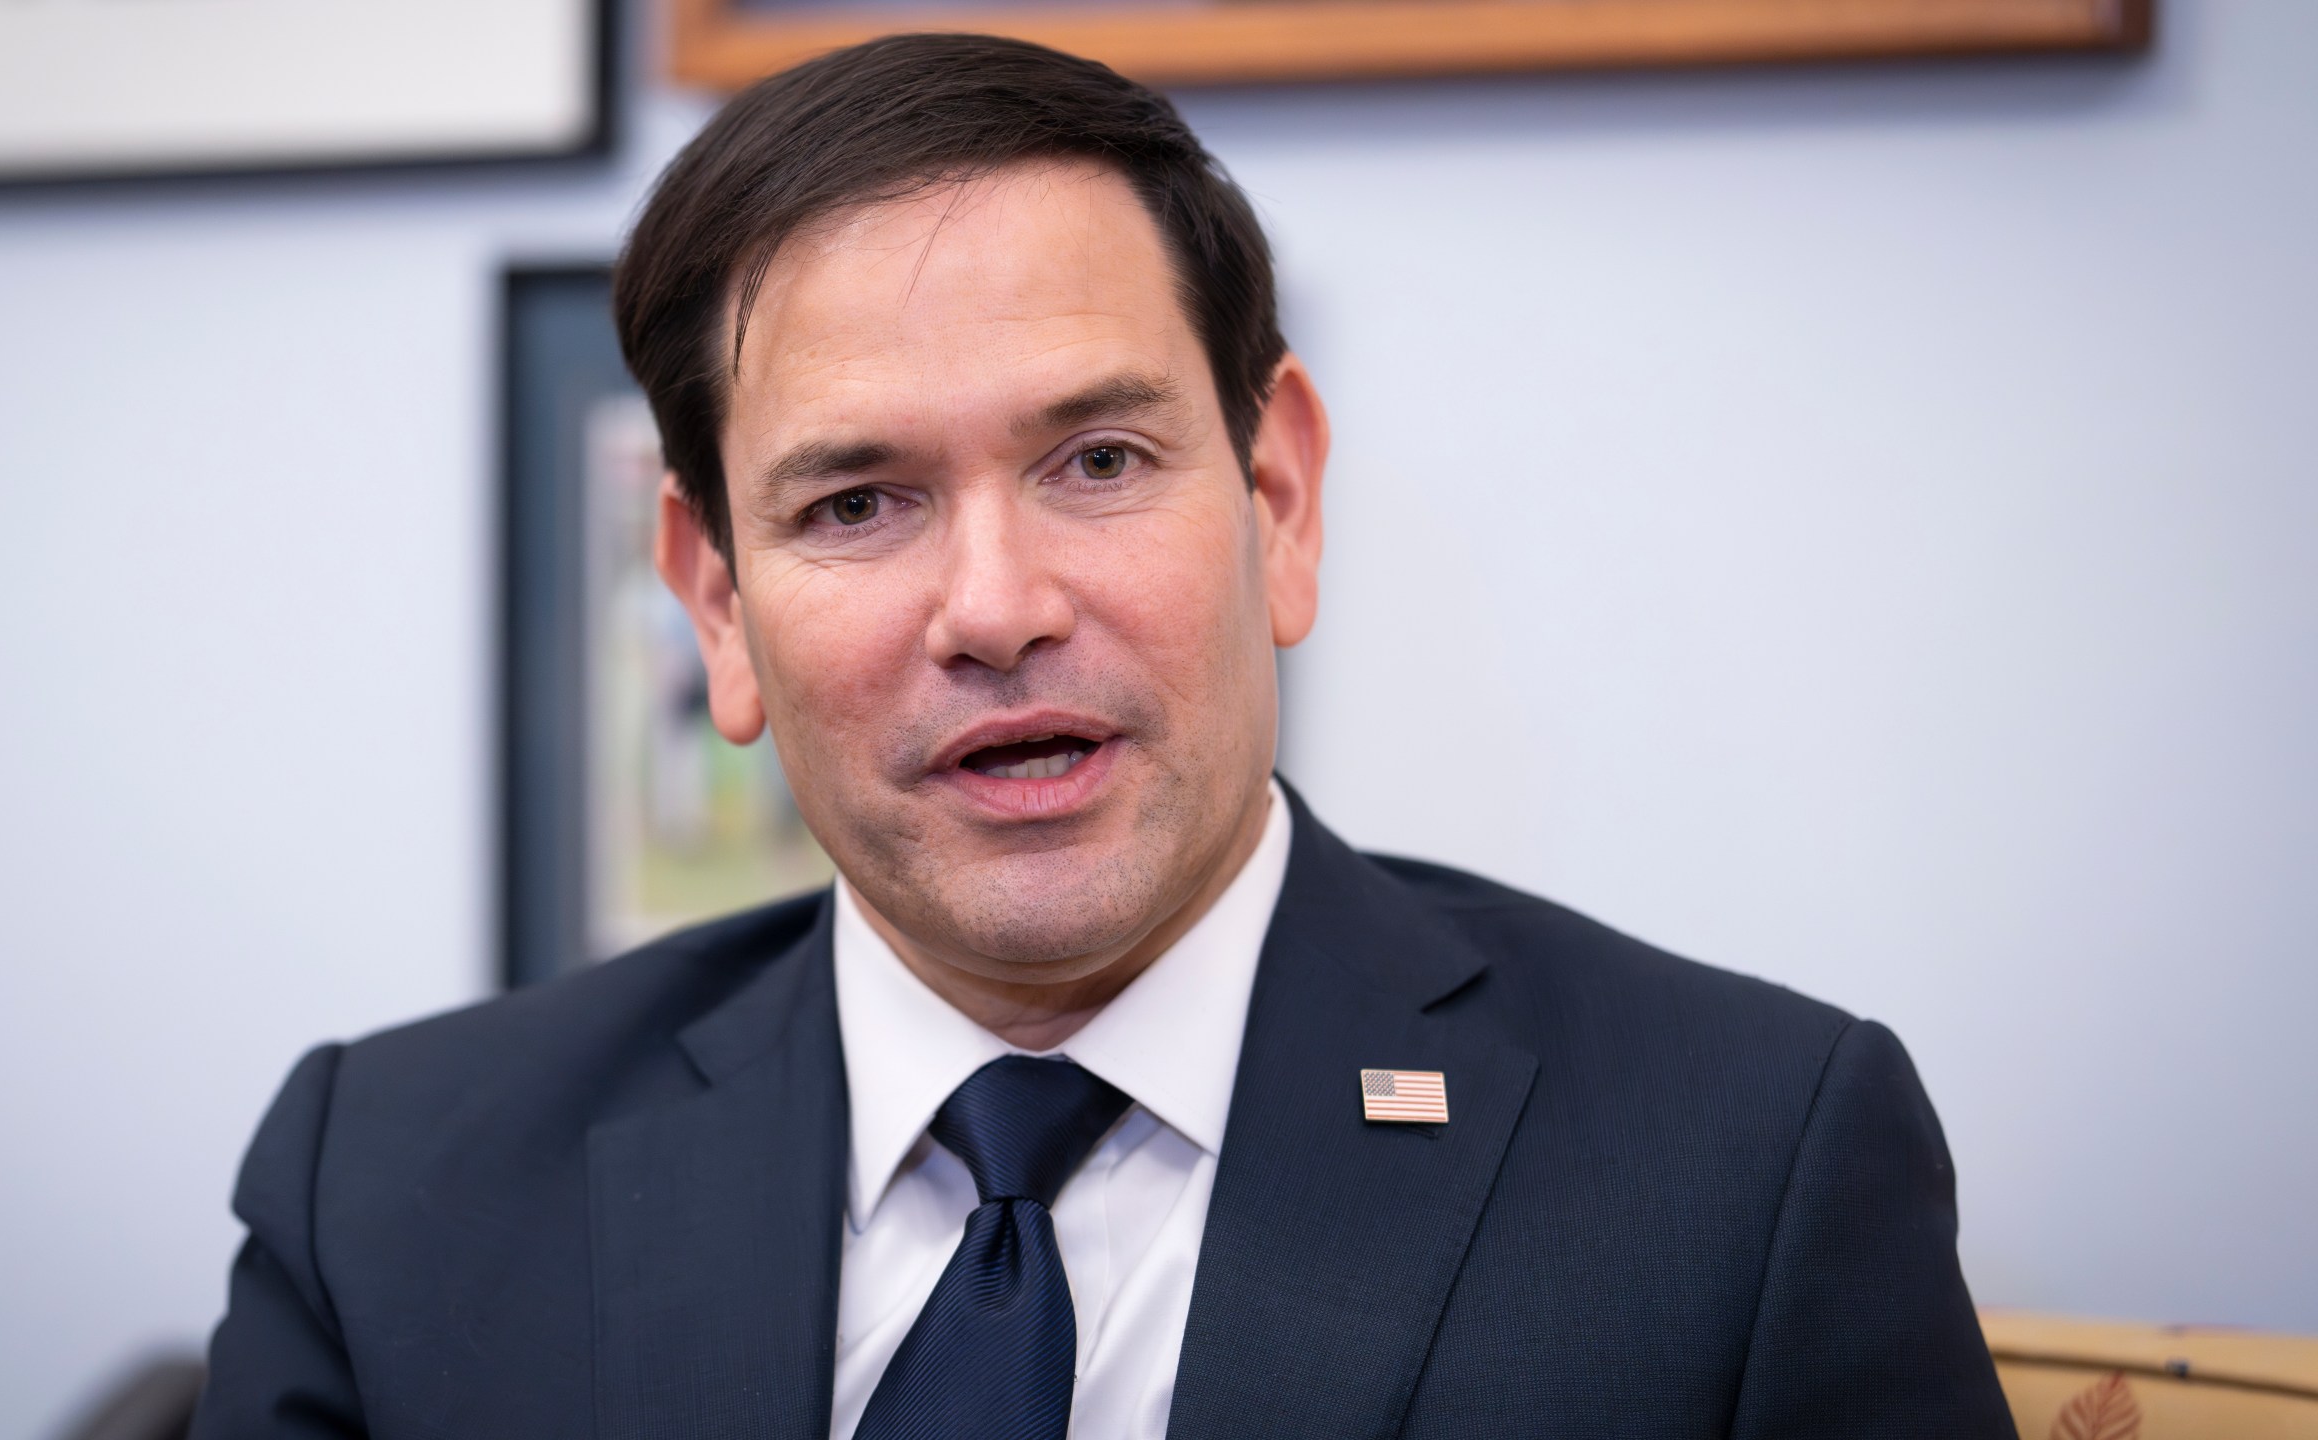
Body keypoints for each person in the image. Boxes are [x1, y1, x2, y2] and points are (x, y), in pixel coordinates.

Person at [191, 33, 2013, 1440]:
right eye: (855, 505)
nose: (995, 607)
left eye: (1100, 462)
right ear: (717, 600)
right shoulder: (391, 1191)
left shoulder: (1745, 1164)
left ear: (1279, 497)